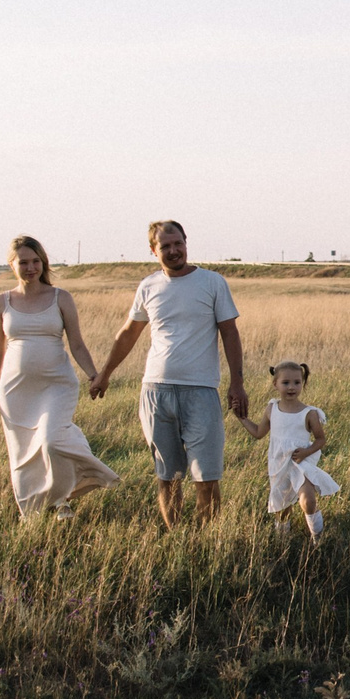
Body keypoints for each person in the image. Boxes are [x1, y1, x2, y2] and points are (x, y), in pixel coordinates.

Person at [89, 220, 246, 524]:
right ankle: (176, 538)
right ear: (153, 250)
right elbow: (128, 334)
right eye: (165, 246)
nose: (173, 251)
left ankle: (205, 543)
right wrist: (105, 373)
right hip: (156, 392)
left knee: (207, 477)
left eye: (178, 244)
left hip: (201, 392)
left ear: (186, 243)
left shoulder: (213, 283)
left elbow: (230, 333)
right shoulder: (148, 286)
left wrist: (236, 383)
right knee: (168, 475)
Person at [0, 234, 118, 518]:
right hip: (15, 390)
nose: (31, 268)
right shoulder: (0, 302)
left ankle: (60, 495)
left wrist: (94, 375)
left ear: (43, 262)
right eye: (23, 262)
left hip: (57, 385)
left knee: (52, 440)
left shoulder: (61, 298)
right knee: (22, 457)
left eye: (36, 261)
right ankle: (36, 514)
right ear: (11, 265)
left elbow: (77, 343)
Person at [231, 360, 337, 536]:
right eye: (285, 383)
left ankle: (317, 539)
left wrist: (306, 453)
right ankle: (282, 541)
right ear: (275, 384)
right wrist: (242, 418)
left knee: (308, 501)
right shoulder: (272, 408)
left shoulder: (309, 413)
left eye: (297, 382)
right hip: (279, 464)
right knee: (282, 509)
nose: (291, 387)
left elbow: (320, 439)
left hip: (299, 463)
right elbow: (258, 432)